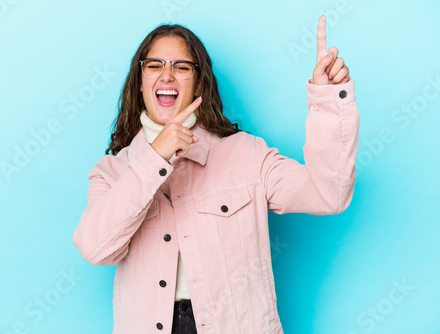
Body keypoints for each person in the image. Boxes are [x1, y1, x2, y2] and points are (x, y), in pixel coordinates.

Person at [72, 15, 359, 334]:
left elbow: (329, 194)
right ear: (139, 81)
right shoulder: (111, 172)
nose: (167, 75)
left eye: (181, 67)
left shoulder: (246, 154)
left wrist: (328, 103)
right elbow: (95, 249)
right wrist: (156, 156)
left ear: (198, 82)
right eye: (154, 65)